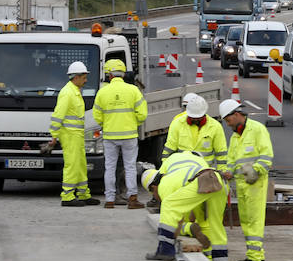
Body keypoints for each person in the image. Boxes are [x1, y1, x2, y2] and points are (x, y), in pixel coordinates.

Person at [141, 151, 231, 261]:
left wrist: (178, 233)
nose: (156, 197)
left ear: (153, 187)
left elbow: (174, 217)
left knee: (168, 205)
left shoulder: (165, 183)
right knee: (215, 225)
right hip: (219, 180)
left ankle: (165, 249)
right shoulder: (184, 167)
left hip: (202, 181)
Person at [219, 98, 273, 261]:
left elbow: (266, 156)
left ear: (236, 114)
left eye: (228, 120)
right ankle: (255, 255)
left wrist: (254, 170)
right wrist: (229, 172)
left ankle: (255, 258)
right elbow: (232, 160)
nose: (228, 124)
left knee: (254, 220)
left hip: (255, 183)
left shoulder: (257, 129)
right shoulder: (236, 136)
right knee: (246, 220)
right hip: (241, 184)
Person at [93, 60, 148, 209]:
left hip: (110, 135)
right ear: (123, 74)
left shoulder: (102, 92)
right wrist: (133, 123)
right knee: (130, 167)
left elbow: (97, 115)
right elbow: (142, 114)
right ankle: (132, 198)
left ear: (109, 75)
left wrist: (106, 124)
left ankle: (110, 199)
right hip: (129, 135)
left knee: (110, 168)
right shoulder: (133, 90)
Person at [47, 61, 99, 207]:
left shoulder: (74, 91)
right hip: (70, 135)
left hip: (76, 135)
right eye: (84, 77)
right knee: (72, 165)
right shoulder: (67, 93)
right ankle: (67, 196)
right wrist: (54, 135)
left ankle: (83, 194)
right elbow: (58, 115)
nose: (86, 80)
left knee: (81, 165)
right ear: (76, 77)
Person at [161, 94, 227, 170]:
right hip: (182, 169)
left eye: (198, 118)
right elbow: (169, 149)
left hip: (204, 170)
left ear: (204, 114)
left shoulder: (215, 126)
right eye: (193, 117)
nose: (195, 120)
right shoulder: (177, 124)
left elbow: (221, 153)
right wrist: (164, 169)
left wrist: (222, 171)